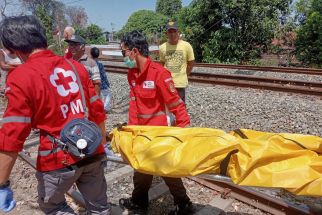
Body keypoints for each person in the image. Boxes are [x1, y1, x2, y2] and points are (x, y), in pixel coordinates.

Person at [0, 15, 110, 214]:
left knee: (53, 206)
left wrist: (1, 184)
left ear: (11, 47)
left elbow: (12, 135)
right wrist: (101, 145)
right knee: (100, 207)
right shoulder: (76, 67)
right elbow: (97, 110)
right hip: (92, 150)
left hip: (58, 159)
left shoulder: (20, 77)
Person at [119, 30, 194, 215]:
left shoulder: (159, 73)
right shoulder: (132, 74)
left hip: (159, 134)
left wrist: (183, 131)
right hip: (141, 133)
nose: (124, 57)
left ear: (134, 51)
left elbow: (176, 103)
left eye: (124, 52)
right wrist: (131, 132)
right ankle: (139, 201)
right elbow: (134, 105)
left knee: (166, 169)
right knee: (141, 167)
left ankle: (184, 204)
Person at [159, 20, 195, 103]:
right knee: (168, 107)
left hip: (180, 83)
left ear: (178, 32)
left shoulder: (186, 46)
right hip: (167, 83)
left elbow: (191, 63)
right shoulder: (162, 47)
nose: (172, 34)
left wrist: (184, 75)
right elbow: (162, 64)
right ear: (166, 34)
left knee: (180, 107)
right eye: (170, 32)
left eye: (174, 31)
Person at [90, 47, 112, 113]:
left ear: (91, 54)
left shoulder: (89, 64)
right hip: (101, 84)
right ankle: (105, 108)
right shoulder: (100, 65)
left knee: (96, 97)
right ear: (98, 54)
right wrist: (107, 83)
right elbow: (103, 76)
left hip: (92, 84)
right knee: (108, 94)